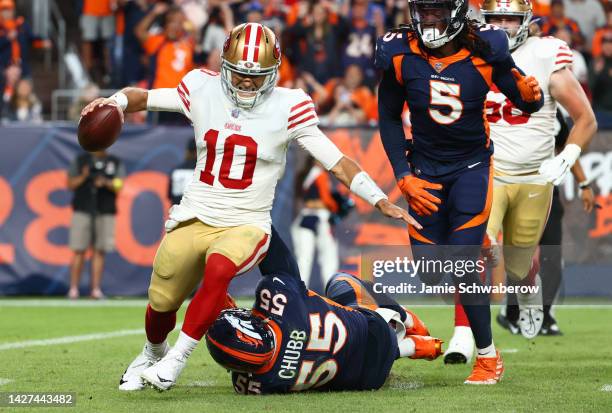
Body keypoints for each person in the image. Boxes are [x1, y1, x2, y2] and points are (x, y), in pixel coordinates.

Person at [82, 22, 417, 391]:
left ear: (273, 73)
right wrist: (114, 101)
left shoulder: (290, 106)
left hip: (247, 221)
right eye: (240, 74)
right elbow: (142, 97)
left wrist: (378, 197)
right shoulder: (201, 87)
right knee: (162, 299)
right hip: (195, 213)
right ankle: (152, 352)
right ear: (226, 65)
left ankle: (176, 359)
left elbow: (336, 162)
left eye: (256, 77)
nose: (246, 83)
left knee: (219, 269)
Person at [375, 0, 544, 384]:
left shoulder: (486, 49)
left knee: (463, 264)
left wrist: (532, 96)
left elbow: (524, 100)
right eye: (423, 11)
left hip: (471, 168)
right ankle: (475, 251)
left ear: (455, 12)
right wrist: (403, 175)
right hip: (424, 173)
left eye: (437, 11)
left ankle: (487, 357)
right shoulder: (400, 52)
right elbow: (387, 115)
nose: (428, 19)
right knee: (432, 273)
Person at [444, 0, 597, 362]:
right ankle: (464, 335)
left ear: (526, 21)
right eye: (494, 18)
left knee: (518, 263)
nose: (500, 26)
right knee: (473, 248)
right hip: (484, 170)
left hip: (533, 177)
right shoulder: (466, 52)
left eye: (509, 19)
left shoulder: (547, 54)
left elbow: (585, 117)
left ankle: (528, 288)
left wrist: (568, 156)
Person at [205, 227, 442, 394]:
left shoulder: (255, 385)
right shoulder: (281, 301)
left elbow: (240, 352)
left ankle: (413, 347)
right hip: (374, 330)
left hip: (367, 379)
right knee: (339, 283)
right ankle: (404, 318)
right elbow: (273, 249)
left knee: (349, 357)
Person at [496, 111, 596, 337]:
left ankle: (546, 314)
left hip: (547, 191)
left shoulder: (553, 113)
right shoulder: (504, 104)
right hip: (514, 190)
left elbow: (566, 148)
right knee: (519, 257)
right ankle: (512, 313)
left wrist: (584, 183)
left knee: (552, 257)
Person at [66, 150, 126, 299]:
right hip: (83, 209)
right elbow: (70, 184)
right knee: (79, 250)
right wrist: (84, 176)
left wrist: (105, 182)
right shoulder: (81, 160)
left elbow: (119, 184)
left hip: (105, 210)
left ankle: (95, 289)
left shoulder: (114, 161)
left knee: (100, 251)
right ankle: (73, 289)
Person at [291, 156, 354, 290]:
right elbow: (326, 200)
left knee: (303, 259)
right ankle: (333, 291)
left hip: (306, 216)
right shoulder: (319, 173)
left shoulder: (306, 174)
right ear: (315, 160)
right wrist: (339, 206)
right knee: (328, 258)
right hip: (320, 217)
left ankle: (299, 292)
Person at [135, 3, 195, 125]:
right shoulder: (157, 42)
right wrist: (154, 13)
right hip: (160, 100)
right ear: (165, 25)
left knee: (179, 137)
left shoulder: (188, 44)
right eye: (171, 22)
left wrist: (184, 18)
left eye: (178, 23)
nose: (174, 26)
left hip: (181, 101)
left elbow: (194, 31)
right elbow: (139, 31)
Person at [80, 0, 116, 84]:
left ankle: (108, 71)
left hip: (108, 11)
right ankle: (87, 72)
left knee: (108, 43)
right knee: (87, 40)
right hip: (90, 10)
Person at [168, 138, 197, 206]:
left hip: (177, 213)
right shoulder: (205, 172)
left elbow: (169, 195)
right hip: (196, 214)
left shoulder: (176, 170)